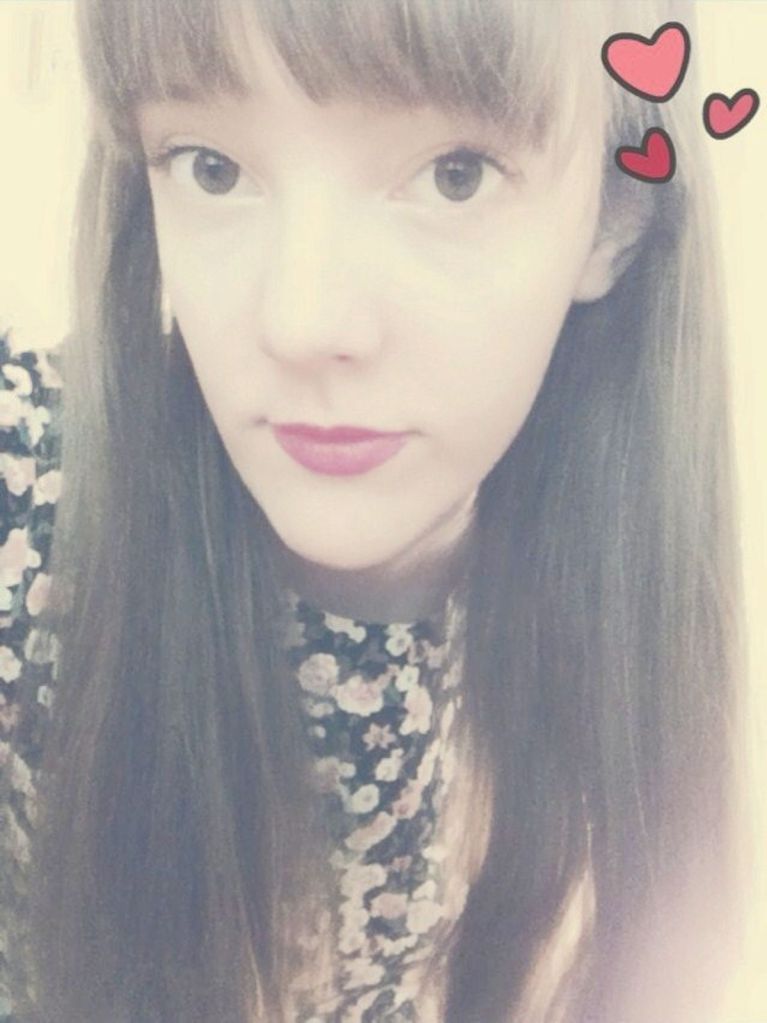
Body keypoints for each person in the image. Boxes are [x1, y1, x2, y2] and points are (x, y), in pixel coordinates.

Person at [0, 0, 748, 1021]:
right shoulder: (31, 494)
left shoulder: (620, 641)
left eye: (453, 174)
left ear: (613, 219)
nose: (302, 320)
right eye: (210, 167)